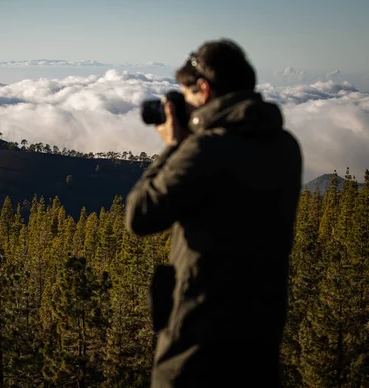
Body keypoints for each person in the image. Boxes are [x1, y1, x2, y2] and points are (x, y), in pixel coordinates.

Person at [125, 39, 302, 387]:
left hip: (198, 345)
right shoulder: (285, 145)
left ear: (204, 90)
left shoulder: (206, 150)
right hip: (260, 338)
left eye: (185, 97)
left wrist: (175, 145)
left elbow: (140, 216)